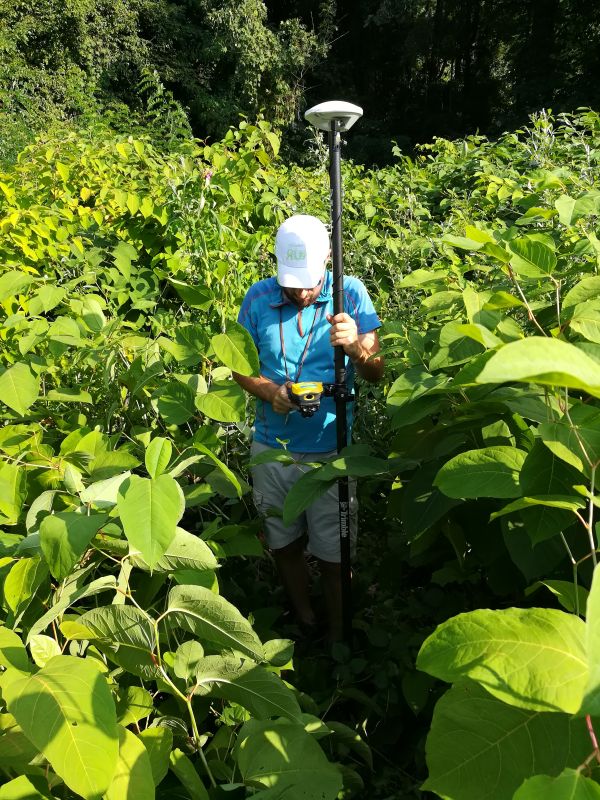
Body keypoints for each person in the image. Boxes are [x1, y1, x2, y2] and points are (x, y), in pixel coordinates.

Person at [233, 214, 384, 642]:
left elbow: (376, 372)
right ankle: (305, 621)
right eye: (291, 284)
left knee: (336, 555)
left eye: (310, 283)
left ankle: (339, 635)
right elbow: (239, 368)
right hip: (271, 446)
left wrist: (356, 347)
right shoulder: (257, 298)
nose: (301, 293)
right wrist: (269, 392)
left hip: (331, 450)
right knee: (283, 544)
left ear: (328, 262)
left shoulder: (349, 294)